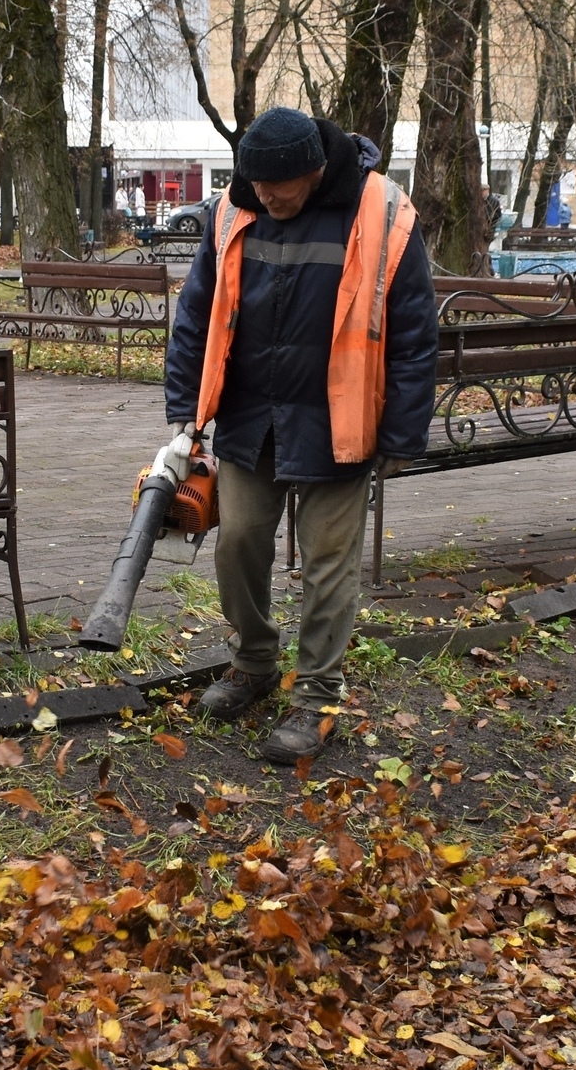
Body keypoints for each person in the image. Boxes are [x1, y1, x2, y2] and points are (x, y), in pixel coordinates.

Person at [163, 107, 439, 765]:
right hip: (250, 417)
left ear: (313, 173)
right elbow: (197, 310)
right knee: (238, 546)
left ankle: (317, 697)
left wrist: (402, 433)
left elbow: (414, 332)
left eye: (277, 190)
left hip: (338, 422)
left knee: (326, 565)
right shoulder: (234, 208)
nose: (264, 199)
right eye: (255, 187)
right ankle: (255, 661)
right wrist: (184, 408)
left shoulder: (382, 211)